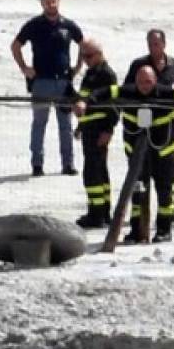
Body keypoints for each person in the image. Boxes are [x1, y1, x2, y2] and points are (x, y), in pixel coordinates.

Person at [76, 66, 174, 243]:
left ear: (155, 81)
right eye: (140, 82)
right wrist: (85, 101)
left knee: (164, 192)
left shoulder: (165, 92)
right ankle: (137, 230)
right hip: (137, 153)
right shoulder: (128, 91)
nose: (144, 86)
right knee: (138, 191)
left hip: (164, 152)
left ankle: (163, 229)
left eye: (148, 82)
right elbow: (103, 92)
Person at [10, 0, 84, 177]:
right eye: (47, 1)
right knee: (39, 124)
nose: (51, 4)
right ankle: (37, 164)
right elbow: (16, 45)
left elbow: (83, 44)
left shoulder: (68, 25)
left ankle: (68, 164)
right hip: (41, 82)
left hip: (63, 83)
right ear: (41, 3)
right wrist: (24, 68)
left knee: (65, 125)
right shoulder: (34, 25)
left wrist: (77, 67)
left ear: (59, 1)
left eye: (54, 1)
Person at [123, 29, 174, 221]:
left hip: (167, 131)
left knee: (167, 175)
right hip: (140, 131)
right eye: (150, 43)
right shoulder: (138, 65)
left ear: (164, 44)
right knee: (139, 176)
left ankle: (168, 211)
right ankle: (139, 219)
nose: (153, 47)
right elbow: (126, 91)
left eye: (156, 43)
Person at [74, 38, 118, 228]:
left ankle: (97, 214)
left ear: (100, 55)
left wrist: (108, 130)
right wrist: (80, 127)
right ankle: (101, 211)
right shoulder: (91, 73)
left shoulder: (106, 74)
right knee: (97, 171)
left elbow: (114, 105)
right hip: (90, 129)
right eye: (83, 56)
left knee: (93, 173)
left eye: (89, 56)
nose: (86, 59)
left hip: (99, 130)